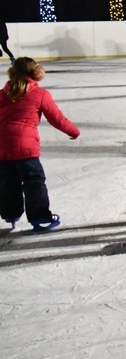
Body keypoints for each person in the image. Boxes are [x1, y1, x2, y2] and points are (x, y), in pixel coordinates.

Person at [0, 57, 79, 231]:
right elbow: (56, 118)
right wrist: (73, 131)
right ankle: (40, 217)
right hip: (26, 149)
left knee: (8, 181)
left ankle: (10, 213)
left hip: (2, 147)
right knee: (34, 181)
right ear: (36, 72)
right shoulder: (40, 94)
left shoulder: (2, 93)